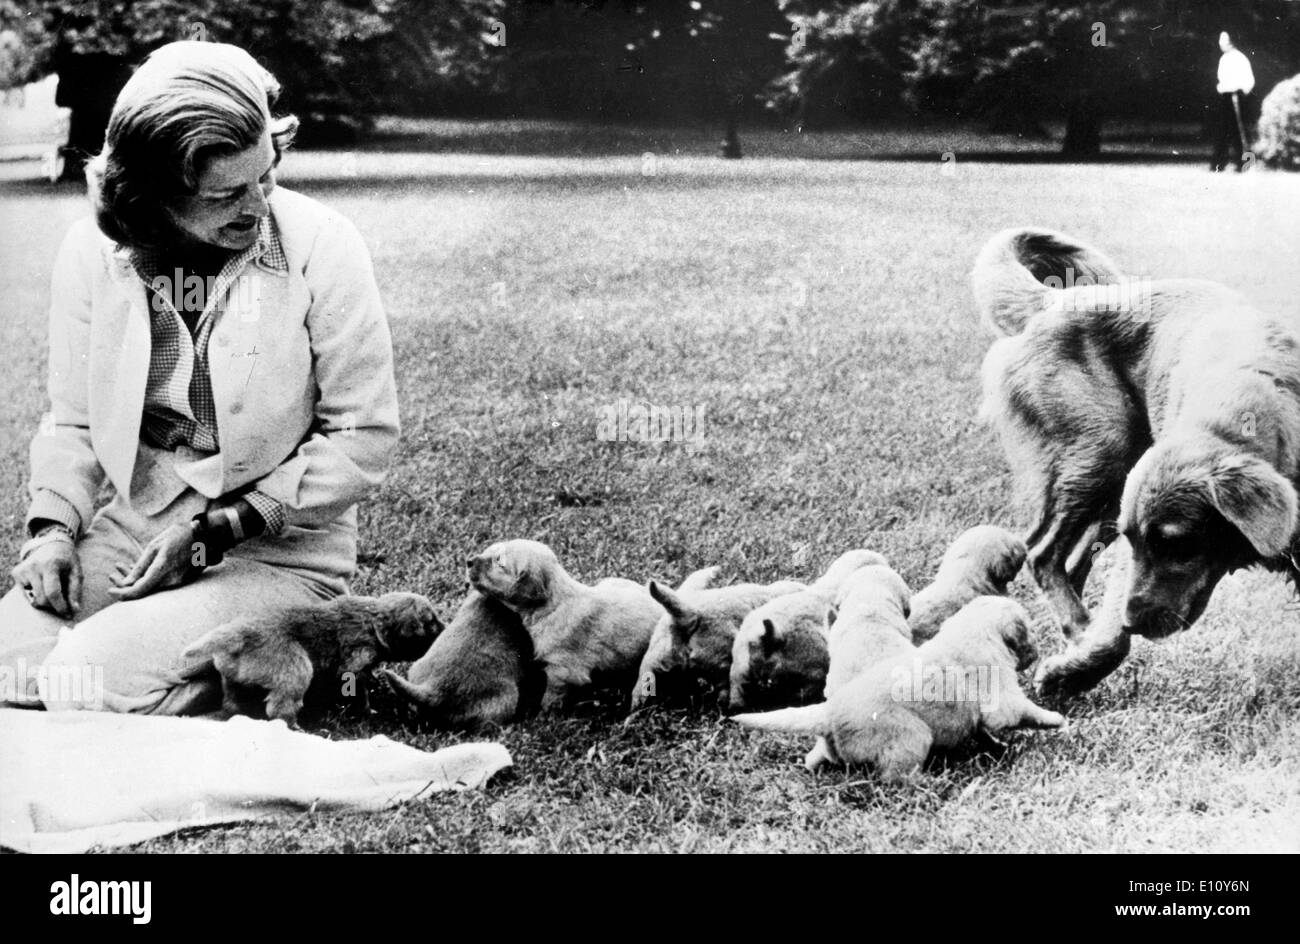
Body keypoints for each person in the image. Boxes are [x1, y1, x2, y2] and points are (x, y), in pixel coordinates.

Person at [0, 41, 399, 714]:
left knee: (88, 678)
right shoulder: (92, 256)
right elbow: (71, 421)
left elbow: (363, 437)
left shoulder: (322, 245)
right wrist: (55, 533)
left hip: (274, 551)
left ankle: (293, 651)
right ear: (153, 198)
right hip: (135, 533)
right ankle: (216, 670)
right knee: (11, 669)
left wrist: (217, 530)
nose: (257, 207)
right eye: (226, 195)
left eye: (265, 178)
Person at [1210, 31, 1255, 172]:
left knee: (1240, 131)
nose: (1220, 43)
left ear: (1230, 42)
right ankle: (1219, 164)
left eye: (1223, 40)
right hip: (1226, 97)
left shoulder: (1240, 58)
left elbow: (1249, 80)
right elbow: (1221, 79)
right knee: (1222, 131)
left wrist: (1239, 91)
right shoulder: (1224, 58)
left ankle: (1246, 164)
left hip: (1237, 97)